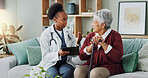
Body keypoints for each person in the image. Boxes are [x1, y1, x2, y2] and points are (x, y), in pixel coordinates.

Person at [30, 3, 83, 78]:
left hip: (65, 62)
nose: (66, 22)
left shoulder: (68, 32)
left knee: (67, 72)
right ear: (55, 19)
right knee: (52, 75)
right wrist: (58, 53)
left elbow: (74, 54)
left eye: (67, 19)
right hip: (50, 63)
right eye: (63, 19)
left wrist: (77, 43)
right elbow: (45, 56)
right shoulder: (46, 34)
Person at [74, 9, 124, 78]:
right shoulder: (91, 36)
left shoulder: (115, 36)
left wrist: (103, 44)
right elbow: (81, 56)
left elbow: (118, 57)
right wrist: (92, 46)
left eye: (94, 22)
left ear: (103, 25)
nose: (92, 25)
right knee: (78, 70)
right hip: (92, 65)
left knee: (95, 73)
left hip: (110, 67)